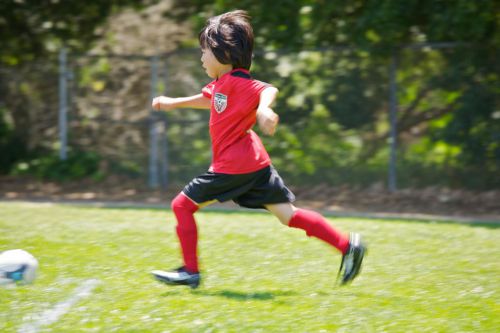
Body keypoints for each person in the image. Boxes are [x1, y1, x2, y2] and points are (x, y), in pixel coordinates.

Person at [151, 10, 366, 289]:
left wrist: (264, 110)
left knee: (181, 205)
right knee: (288, 215)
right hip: (255, 164)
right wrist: (172, 103)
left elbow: (267, 90)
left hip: (234, 165)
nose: (202, 58)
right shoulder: (222, 85)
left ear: (223, 54)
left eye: (204, 52)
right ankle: (348, 246)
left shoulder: (241, 83)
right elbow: (208, 99)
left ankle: (190, 271)